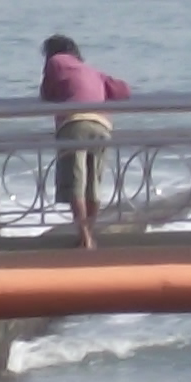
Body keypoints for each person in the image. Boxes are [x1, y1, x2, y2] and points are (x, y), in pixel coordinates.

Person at [38, 33, 133, 248]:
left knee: (76, 182)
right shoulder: (92, 71)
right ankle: (89, 233)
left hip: (75, 124)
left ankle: (84, 237)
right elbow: (123, 90)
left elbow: (46, 93)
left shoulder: (56, 61)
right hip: (102, 126)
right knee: (93, 184)